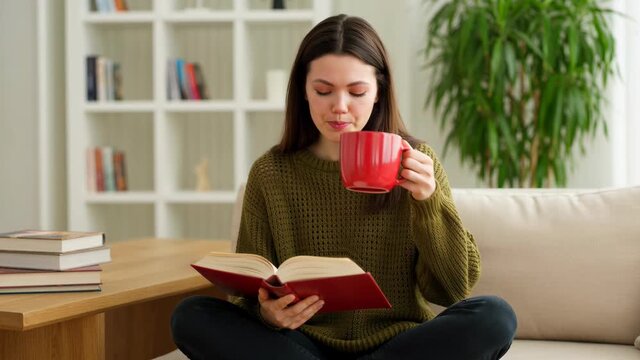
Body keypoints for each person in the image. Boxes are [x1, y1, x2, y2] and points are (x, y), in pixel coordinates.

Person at [171, 14, 517, 360]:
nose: (339, 107)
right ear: (303, 92)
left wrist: (428, 202)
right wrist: (268, 314)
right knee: (192, 315)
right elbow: (248, 295)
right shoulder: (270, 172)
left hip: (396, 343)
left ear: (379, 91)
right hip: (301, 344)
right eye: (323, 91)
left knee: (495, 316)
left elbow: (453, 288)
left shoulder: (417, 161)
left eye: (357, 92)